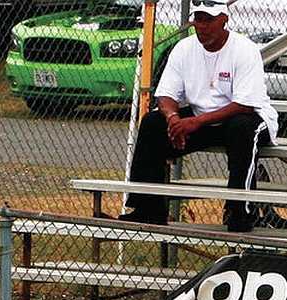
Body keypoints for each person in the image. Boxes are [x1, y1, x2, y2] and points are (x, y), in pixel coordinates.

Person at [118, 0, 278, 233]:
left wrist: (193, 123)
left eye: (209, 20)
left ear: (224, 19)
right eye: (198, 19)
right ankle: (147, 208)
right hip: (201, 117)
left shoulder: (245, 49)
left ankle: (239, 211)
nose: (201, 26)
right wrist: (174, 119)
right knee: (153, 123)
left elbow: (245, 105)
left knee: (242, 128)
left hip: (247, 117)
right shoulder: (184, 48)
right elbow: (165, 95)